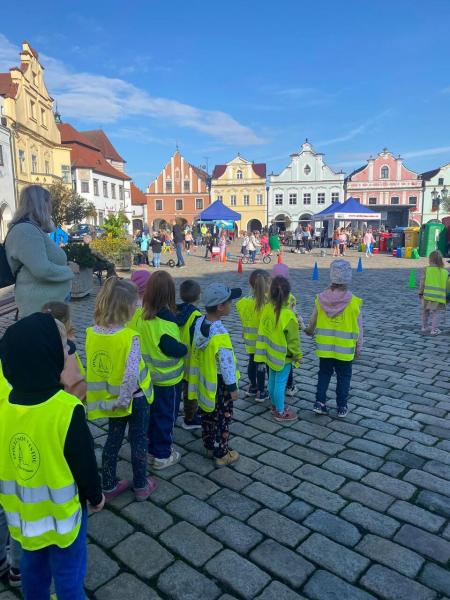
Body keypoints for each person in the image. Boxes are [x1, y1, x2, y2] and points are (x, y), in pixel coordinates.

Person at [0, 313, 104, 598]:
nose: (68, 352)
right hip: (63, 517)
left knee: (32, 570)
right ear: (48, 358)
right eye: (64, 348)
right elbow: (84, 464)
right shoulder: (66, 409)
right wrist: (96, 497)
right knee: (69, 575)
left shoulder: (4, 408)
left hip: (24, 517)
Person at [85, 277, 155, 502]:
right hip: (134, 399)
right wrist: (124, 400)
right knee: (139, 440)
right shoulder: (129, 337)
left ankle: (108, 484)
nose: (137, 307)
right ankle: (141, 485)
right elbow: (131, 373)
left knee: (112, 441)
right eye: (135, 304)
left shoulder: (91, 333)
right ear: (127, 309)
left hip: (110, 399)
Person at [189, 283, 242, 466]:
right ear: (220, 307)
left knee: (208, 415)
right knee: (223, 419)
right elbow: (226, 364)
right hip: (221, 383)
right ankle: (222, 454)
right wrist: (233, 388)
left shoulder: (199, 323)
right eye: (230, 302)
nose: (231, 304)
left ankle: (210, 445)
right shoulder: (220, 333)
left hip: (206, 381)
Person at [5, 185, 76, 318]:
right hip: (40, 306)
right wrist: (69, 270)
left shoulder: (32, 228)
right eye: (49, 203)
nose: (51, 208)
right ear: (41, 204)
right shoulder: (26, 231)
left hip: (51, 302)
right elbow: (42, 270)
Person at [140, 271, 187, 468]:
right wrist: (184, 348)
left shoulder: (141, 316)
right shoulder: (166, 324)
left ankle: (150, 448)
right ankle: (161, 455)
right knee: (166, 417)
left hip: (148, 378)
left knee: (151, 415)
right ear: (170, 294)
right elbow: (173, 349)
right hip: (167, 381)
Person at [304, 259, 363, 418]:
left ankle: (320, 402)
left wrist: (308, 331)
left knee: (324, 373)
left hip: (325, 348)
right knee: (344, 377)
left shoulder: (320, 299)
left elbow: (312, 322)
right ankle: (342, 406)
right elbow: (359, 328)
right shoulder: (354, 301)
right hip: (345, 349)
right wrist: (358, 347)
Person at [255, 275, 301, 422]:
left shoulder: (267, 308)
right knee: (280, 384)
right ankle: (280, 411)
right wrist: (297, 355)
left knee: (273, 381)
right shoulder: (289, 316)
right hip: (283, 357)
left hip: (270, 353)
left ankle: (275, 406)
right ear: (288, 294)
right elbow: (293, 341)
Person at [41, 301, 86, 402]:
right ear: (66, 322)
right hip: (67, 402)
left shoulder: (42, 343)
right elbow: (73, 383)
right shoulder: (67, 351)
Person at [236, 269, 270, 402]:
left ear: (250, 284)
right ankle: (261, 391)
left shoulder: (243, 302)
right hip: (263, 341)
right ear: (268, 284)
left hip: (249, 339)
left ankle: (253, 386)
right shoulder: (268, 303)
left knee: (252, 362)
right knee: (261, 364)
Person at [271, 263, 305, 397]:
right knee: (286, 365)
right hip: (285, 340)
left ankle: (274, 391)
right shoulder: (290, 298)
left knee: (273, 368)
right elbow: (294, 314)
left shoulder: (269, 296)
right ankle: (289, 386)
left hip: (272, 339)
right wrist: (301, 324)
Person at [176, 279, 202, 429]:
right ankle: (190, 418)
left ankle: (174, 412)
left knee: (177, 387)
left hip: (176, 357)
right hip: (190, 359)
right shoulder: (196, 315)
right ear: (198, 296)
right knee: (190, 390)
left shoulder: (175, 311)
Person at [419, 250, 450, 336]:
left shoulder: (426, 269)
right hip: (439, 297)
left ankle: (424, 327)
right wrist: (447, 297)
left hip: (426, 295)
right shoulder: (445, 272)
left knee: (425, 311)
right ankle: (434, 330)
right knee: (437, 313)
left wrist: (420, 292)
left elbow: (422, 282)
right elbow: (447, 285)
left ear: (430, 259)